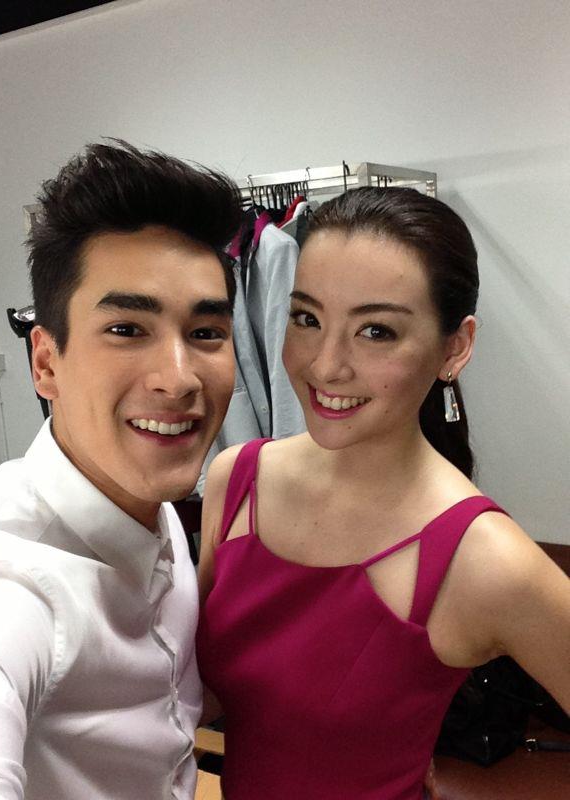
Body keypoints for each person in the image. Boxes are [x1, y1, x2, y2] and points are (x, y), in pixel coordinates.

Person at [196, 187, 570, 799]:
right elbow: (209, 692)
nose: (325, 365)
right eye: (307, 319)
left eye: (375, 331)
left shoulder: (484, 558)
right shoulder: (237, 481)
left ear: (456, 347)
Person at [0, 140, 242, 800]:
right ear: (45, 363)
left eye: (205, 333)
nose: (180, 379)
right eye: (126, 329)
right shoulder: (3, 586)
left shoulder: (154, 509)